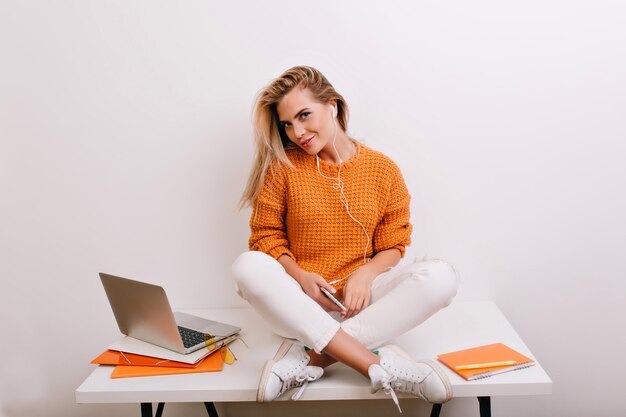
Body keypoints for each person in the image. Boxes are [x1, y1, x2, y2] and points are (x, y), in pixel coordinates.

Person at [232, 65, 458, 411]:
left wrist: (365, 275)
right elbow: (265, 237)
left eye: (304, 115)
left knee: (441, 277)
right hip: (301, 304)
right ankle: (376, 362)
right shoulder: (283, 168)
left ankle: (311, 359)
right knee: (247, 266)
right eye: (287, 124)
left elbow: (394, 245)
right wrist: (301, 278)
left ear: (333, 105)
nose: (297, 132)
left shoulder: (383, 169)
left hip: (363, 304)